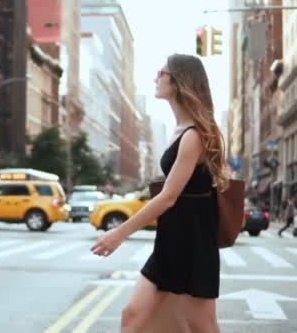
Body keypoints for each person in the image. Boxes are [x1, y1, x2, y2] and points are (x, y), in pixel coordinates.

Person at [91, 54, 227, 333]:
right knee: (133, 316)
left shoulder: (194, 135)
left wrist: (118, 234)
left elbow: (168, 196)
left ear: (177, 82)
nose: (156, 77)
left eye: (161, 73)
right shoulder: (181, 131)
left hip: (192, 243)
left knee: (202, 327)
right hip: (172, 240)